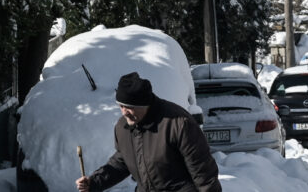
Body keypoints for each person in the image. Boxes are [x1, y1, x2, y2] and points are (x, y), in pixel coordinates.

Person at [76, 72, 222, 192]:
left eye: (130, 107)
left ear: (144, 105)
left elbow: (203, 174)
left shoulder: (178, 123)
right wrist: (94, 182)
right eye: (121, 106)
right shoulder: (123, 127)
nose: (124, 112)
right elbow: (122, 161)